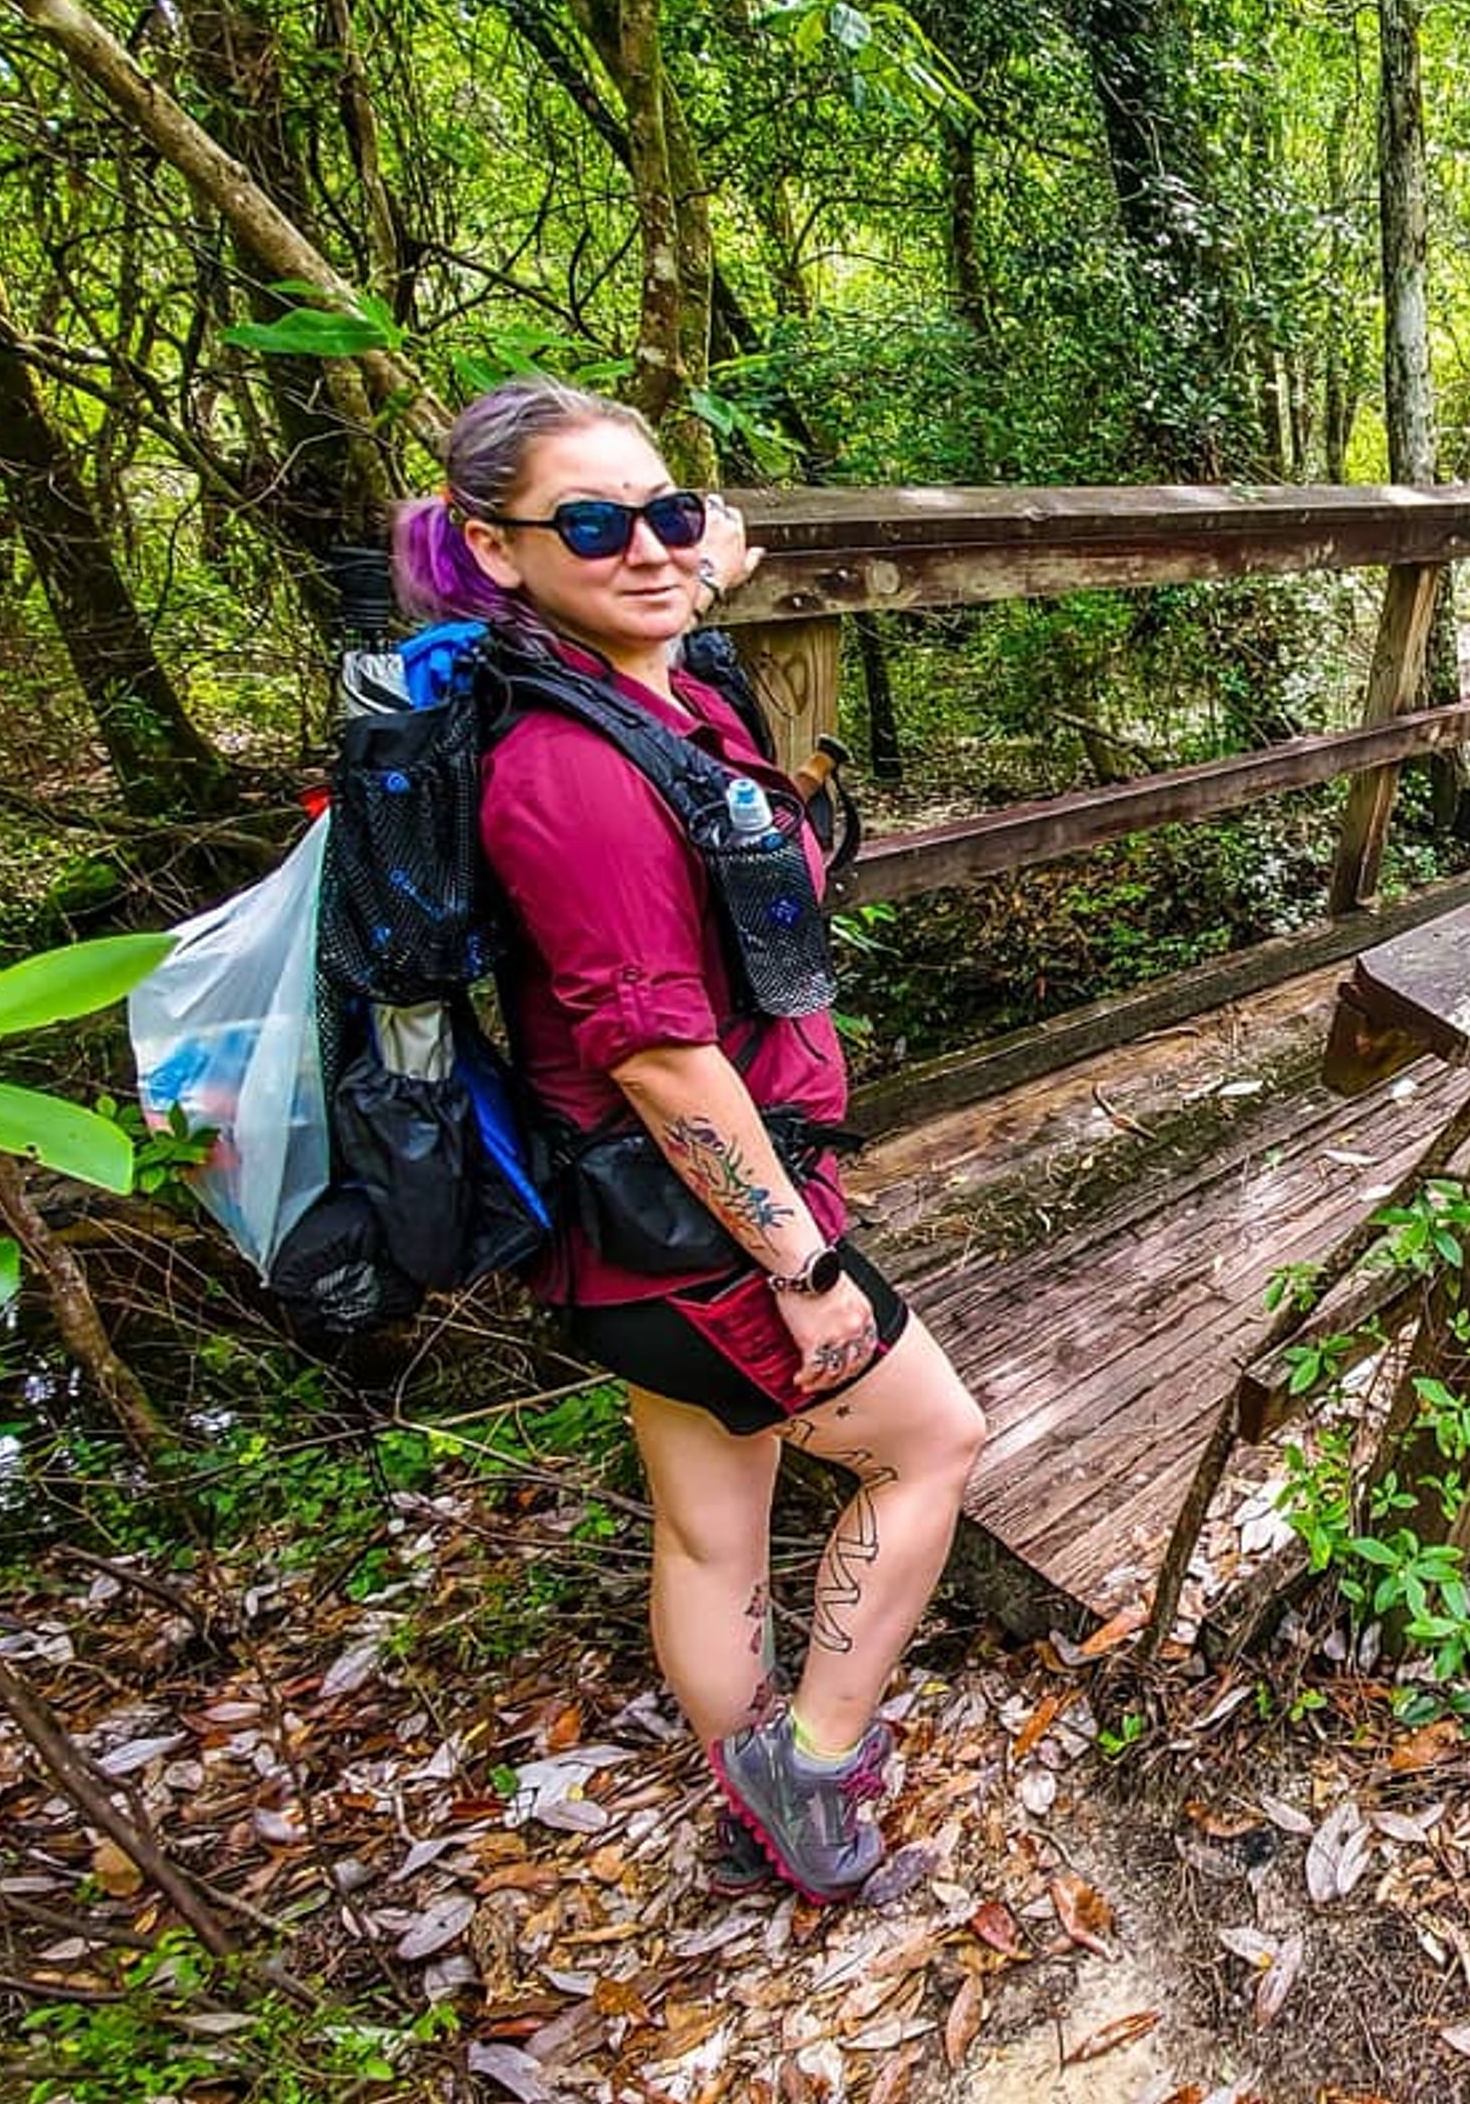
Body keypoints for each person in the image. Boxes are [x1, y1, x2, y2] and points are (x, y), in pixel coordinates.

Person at [387, 377, 988, 1904]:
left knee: (712, 1524)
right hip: (698, 1221)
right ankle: (818, 1762)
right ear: (496, 547)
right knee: (930, 1442)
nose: (649, 547)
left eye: (664, 508)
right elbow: (657, 1057)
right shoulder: (569, 773)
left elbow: (694, 560)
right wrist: (801, 1259)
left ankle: (750, 1812)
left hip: (632, 1228)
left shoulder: (635, 669)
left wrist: (703, 548)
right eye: (591, 522)